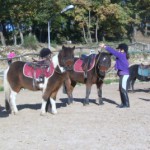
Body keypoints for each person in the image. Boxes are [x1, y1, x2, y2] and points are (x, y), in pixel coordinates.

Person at [99, 43, 130, 108]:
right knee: (121, 89)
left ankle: (126, 104)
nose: (118, 50)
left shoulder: (121, 55)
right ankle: (123, 103)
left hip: (124, 75)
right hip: (122, 74)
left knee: (123, 89)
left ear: (122, 50)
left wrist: (104, 46)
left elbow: (113, 51)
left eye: (119, 49)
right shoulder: (122, 55)